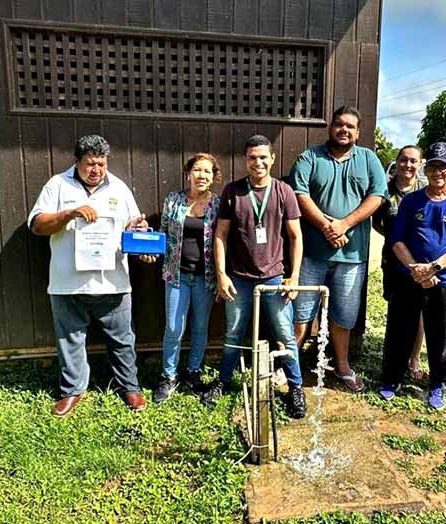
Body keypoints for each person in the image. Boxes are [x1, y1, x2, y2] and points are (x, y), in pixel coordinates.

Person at [28, 135, 148, 416]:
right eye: (90, 164)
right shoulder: (57, 185)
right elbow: (36, 224)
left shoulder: (118, 187)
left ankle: (129, 387)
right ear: (77, 161)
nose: (96, 170)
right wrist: (69, 214)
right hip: (67, 283)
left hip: (113, 282)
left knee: (122, 340)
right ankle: (72, 391)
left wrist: (139, 229)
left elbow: (133, 226)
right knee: (70, 340)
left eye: (101, 164)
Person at [202, 135, 307, 419]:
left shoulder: (284, 191)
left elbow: (296, 236)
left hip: (275, 278)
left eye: (263, 157)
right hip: (239, 278)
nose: (258, 162)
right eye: (252, 157)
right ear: (245, 160)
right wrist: (222, 275)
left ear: (272, 159)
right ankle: (224, 382)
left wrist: (294, 276)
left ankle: (296, 387)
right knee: (233, 332)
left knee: (284, 333)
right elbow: (220, 236)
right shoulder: (232, 192)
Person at [289, 105, 388, 393]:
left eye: (350, 126)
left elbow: (377, 196)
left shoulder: (369, 159)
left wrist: (343, 224)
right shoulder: (310, 157)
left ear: (357, 133)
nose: (344, 130)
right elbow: (299, 194)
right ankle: (291, 366)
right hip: (312, 254)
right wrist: (326, 227)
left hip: (352, 256)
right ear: (330, 127)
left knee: (344, 316)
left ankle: (342, 366)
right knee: (300, 313)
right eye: (339, 124)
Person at [382, 142, 446, 410]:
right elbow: (397, 240)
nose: (438, 172)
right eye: (433, 166)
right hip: (408, 277)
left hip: (445, 281)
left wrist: (433, 268)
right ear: (427, 169)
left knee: (440, 334)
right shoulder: (412, 201)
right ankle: (392, 379)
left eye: (443, 167)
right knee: (401, 330)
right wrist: (415, 269)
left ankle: (437, 383)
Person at [153, 153, 222, 403]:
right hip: (176, 275)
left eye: (207, 171)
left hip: (206, 278)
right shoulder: (174, 200)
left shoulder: (219, 204)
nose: (202, 175)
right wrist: (148, 249)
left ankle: (193, 372)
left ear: (214, 177)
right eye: (197, 170)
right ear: (188, 173)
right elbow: (162, 233)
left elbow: (224, 239)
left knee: (200, 327)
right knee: (173, 327)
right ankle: (168, 376)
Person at [372, 145, 427, 382]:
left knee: (420, 313)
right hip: (393, 260)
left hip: (421, 261)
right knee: (396, 310)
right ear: (396, 161)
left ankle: (414, 358)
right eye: (403, 160)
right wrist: (395, 241)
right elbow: (376, 222)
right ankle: (393, 358)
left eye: (413, 161)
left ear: (421, 164)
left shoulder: (426, 190)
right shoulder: (384, 190)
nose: (408, 165)